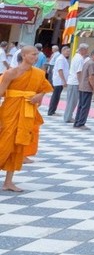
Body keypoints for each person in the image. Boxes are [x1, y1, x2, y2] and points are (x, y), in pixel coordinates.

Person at [0, 45, 52, 192]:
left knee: (17, 146)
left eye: (37, 55)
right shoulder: (11, 73)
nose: (35, 57)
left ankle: (8, 182)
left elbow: (44, 89)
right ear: (23, 56)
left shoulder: (38, 74)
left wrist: (38, 96)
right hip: (9, 111)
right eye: (33, 54)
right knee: (4, 144)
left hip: (26, 112)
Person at [74, 49, 94, 130]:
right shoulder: (92, 63)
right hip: (87, 88)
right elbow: (91, 77)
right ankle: (81, 123)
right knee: (85, 106)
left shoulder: (86, 62)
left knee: (81, 105)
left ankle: (77, 122)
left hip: (82, 86)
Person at [63, 43, 89, 124]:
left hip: (72, 81)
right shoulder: (79, 58)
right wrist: (81, 83)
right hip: (74, 82)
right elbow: (79, 72)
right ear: (82, 50)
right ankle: (68, 117)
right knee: (72, 101)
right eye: (86, 50)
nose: (87, 51)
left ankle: (68, 116)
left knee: (71, 101)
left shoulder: (76, 57)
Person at [47, 45, 70, 116]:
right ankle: (51, 111)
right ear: (62, 51)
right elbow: (60, 70)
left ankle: (53, 110)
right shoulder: (61, 59)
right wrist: (64, 81)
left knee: (57, 96)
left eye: (69, 51)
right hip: (59, 81)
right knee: (55, 96)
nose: (68, 53)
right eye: (67, 51)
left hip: (60, 81)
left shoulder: (63, 58)